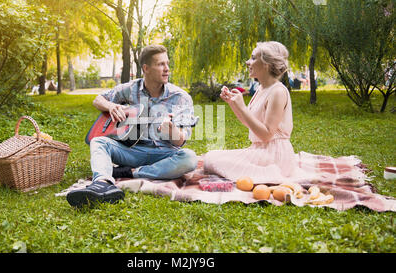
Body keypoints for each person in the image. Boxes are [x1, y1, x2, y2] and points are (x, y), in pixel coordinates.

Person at [67, 45, 198, 208]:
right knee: (98, 142)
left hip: (164, 153)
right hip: (132, 151)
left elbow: (180, 141)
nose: (167, 69)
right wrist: (111, 106)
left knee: (190, 158)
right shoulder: (130, 89)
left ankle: (129, 173)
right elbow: (98, 99)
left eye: (167, 64)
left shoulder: (181, 97)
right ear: (146, 68)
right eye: (161, 64)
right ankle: (102, 184)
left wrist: (172, 130)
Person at [204, 41, 297, 183]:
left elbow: (266, 135)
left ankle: (271, 174)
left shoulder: (277, 91)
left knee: (214, 161)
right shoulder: (261, 88)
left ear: (266, 64)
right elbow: (250, 123)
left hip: (274, 155)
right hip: (260, 150)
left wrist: (242, 107)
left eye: (253, 58)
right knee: (211, 157)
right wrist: (233, 103)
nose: (248, 62)